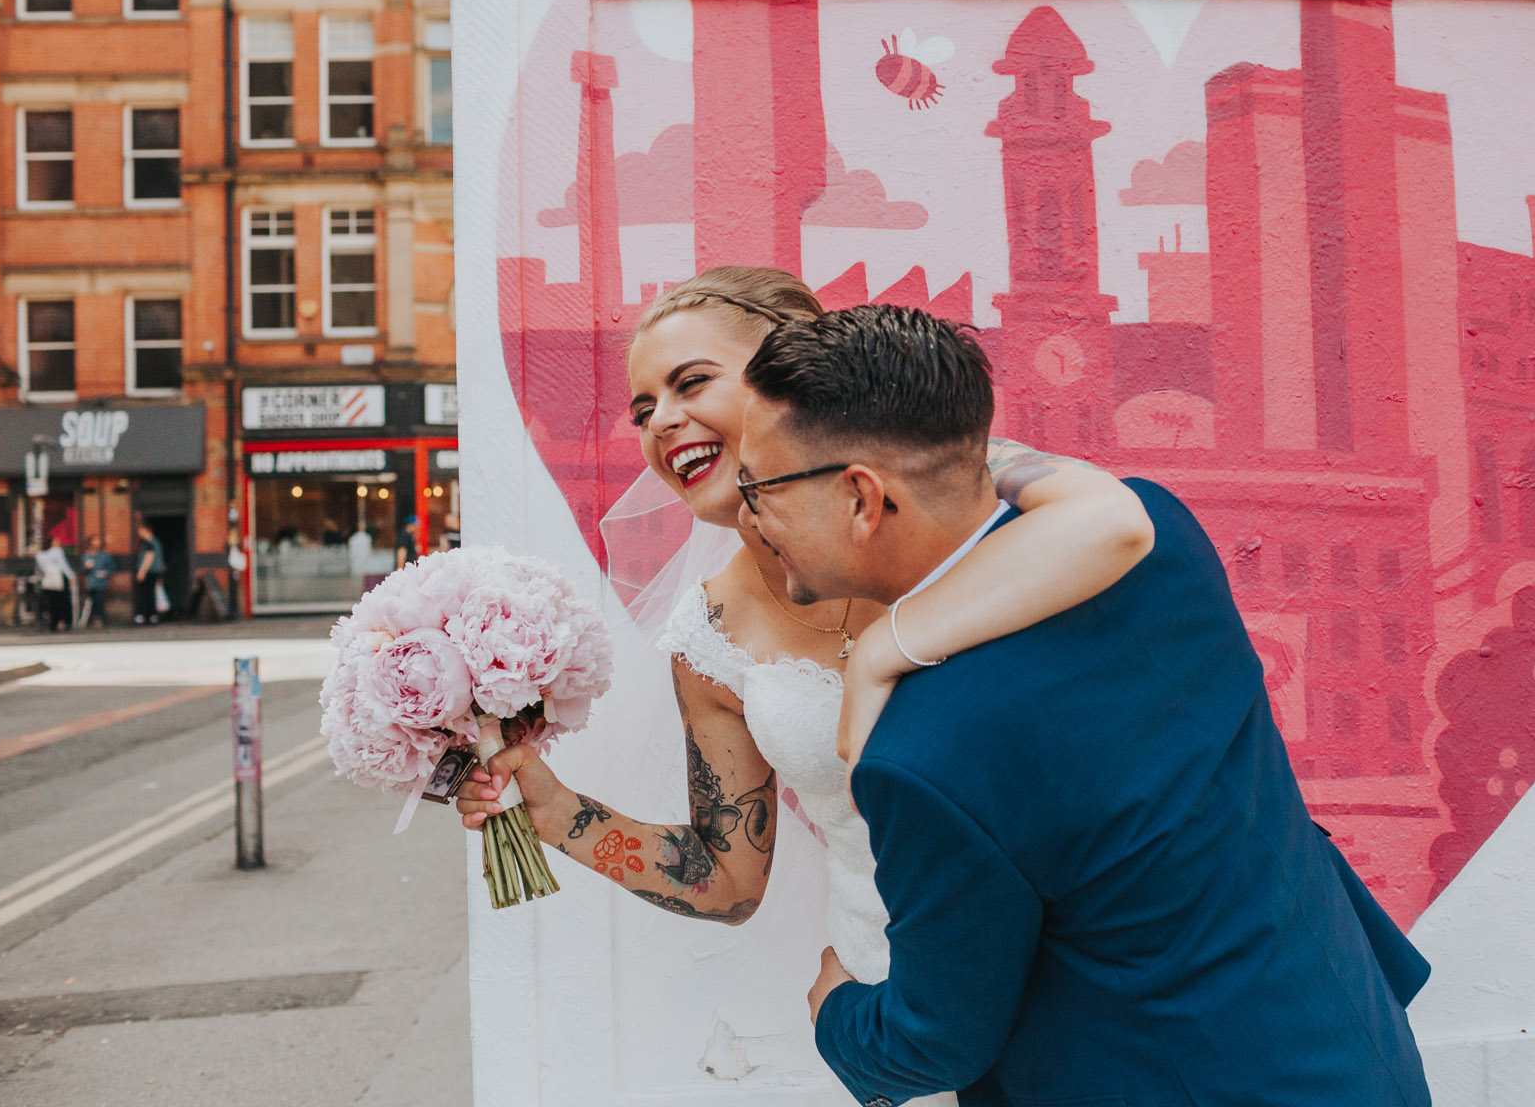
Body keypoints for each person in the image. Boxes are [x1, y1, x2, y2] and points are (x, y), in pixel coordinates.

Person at [458, 268, 1154, 1102]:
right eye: (644, 410)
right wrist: (549, 807)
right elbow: (723, 878)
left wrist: (883, 650)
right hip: (889, 1002)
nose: (662, 423)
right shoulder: (708, 634)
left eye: (691, 382)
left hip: (1082, 975)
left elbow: (1114, 523)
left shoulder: (946, 474)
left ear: (791, 367)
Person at [737, 306, 1432, 1107]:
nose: (749, 515)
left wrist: (838, 1014)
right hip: (1350, 1053)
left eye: (760, 486)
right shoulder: (1161, 537)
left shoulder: (923, 754)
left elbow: (936, 1038)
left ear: (864, 498)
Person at [34, 539, 75, 632]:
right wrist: (70, 575)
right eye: (56, 541)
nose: (59, 543)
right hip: (59, 579)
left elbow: (41, 568)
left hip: (47, 581)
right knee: (63, 603)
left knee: (52, 604)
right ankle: (64, 623)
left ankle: (53, 624)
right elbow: (63, 565)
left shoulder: (39, 555)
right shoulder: (57, 551)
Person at [132, 520, 165, 624]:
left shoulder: (148, 543)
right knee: (151, 594)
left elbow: (148, 558)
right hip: (155, 572)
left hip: (148, 572)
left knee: (145, 594)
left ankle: (145, 615)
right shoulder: (156, 542)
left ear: (146, 530)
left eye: (140, 530)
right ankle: (152, 615)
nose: (139, 533)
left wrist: (142, 571)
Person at [80, 536, 115, 628]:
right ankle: (90, 619)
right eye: (95, 541)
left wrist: (106, 573)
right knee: (91, 602)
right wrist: (86, 568)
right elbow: (83, 570)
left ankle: (98, 619)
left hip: (101, 583)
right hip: (90, 582)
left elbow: (111, 567)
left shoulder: (104, 555)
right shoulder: (86, 555)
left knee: (99, 601)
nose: (96, 543)